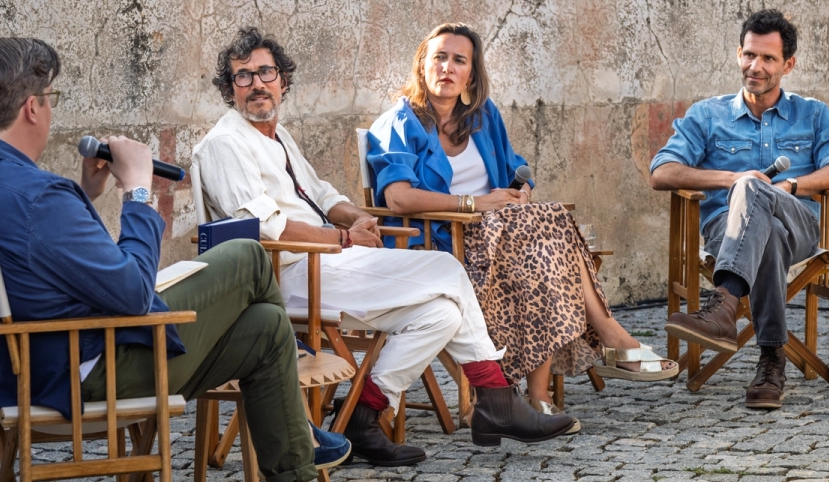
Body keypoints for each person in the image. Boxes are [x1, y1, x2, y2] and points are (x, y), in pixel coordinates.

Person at [0, 36, 384, 482]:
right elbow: (131, 293)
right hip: (80, 375)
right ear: (33, 107)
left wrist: (84, 196)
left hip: (13, 373)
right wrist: (138, 193)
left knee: (266, 327)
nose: (51, 109)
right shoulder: (38, 198)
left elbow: (40, 261)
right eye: (50, 97)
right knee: (244, 256)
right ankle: (300, 435)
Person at [192, 27, 575, 455]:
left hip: (326, 264)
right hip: (282, 277)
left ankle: (362, 416)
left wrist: (357, 218)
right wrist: (342, 236)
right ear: (230, 89)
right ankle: (497, 399)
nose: (258, 84)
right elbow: (265, 228)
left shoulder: (276, 136)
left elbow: (321, 194)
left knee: (442, 313)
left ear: (283, 80)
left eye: (266, 73)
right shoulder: (225, 144)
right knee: (447, 269)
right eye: (244, 77)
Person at [366, 23, 678, 425]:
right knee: (546, 236)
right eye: (439, 57)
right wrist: (478, 203)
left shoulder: (482, 117)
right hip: (443, 246)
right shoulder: (399, 123)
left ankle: (539, 397)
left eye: (459, 60)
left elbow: (517, 168)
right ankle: (607, 341)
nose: (447, 67)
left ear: (471, 75)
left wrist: (521, 191)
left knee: (541, 252)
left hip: (505, 238)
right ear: (422, 65)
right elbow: (398, 197)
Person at [650, 9, 829, 409]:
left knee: (764, 202)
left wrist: (791, 185)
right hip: (727, 230)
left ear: (788, 64)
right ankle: (772, 362)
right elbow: (661, 172)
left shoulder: (814, 114)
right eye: (750, 55)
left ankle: (725, 303)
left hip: (799, 225)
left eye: (768, 58)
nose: (756, 66)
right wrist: (729, 179)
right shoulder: (707, 115)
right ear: (739, 53)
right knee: (763, 227)